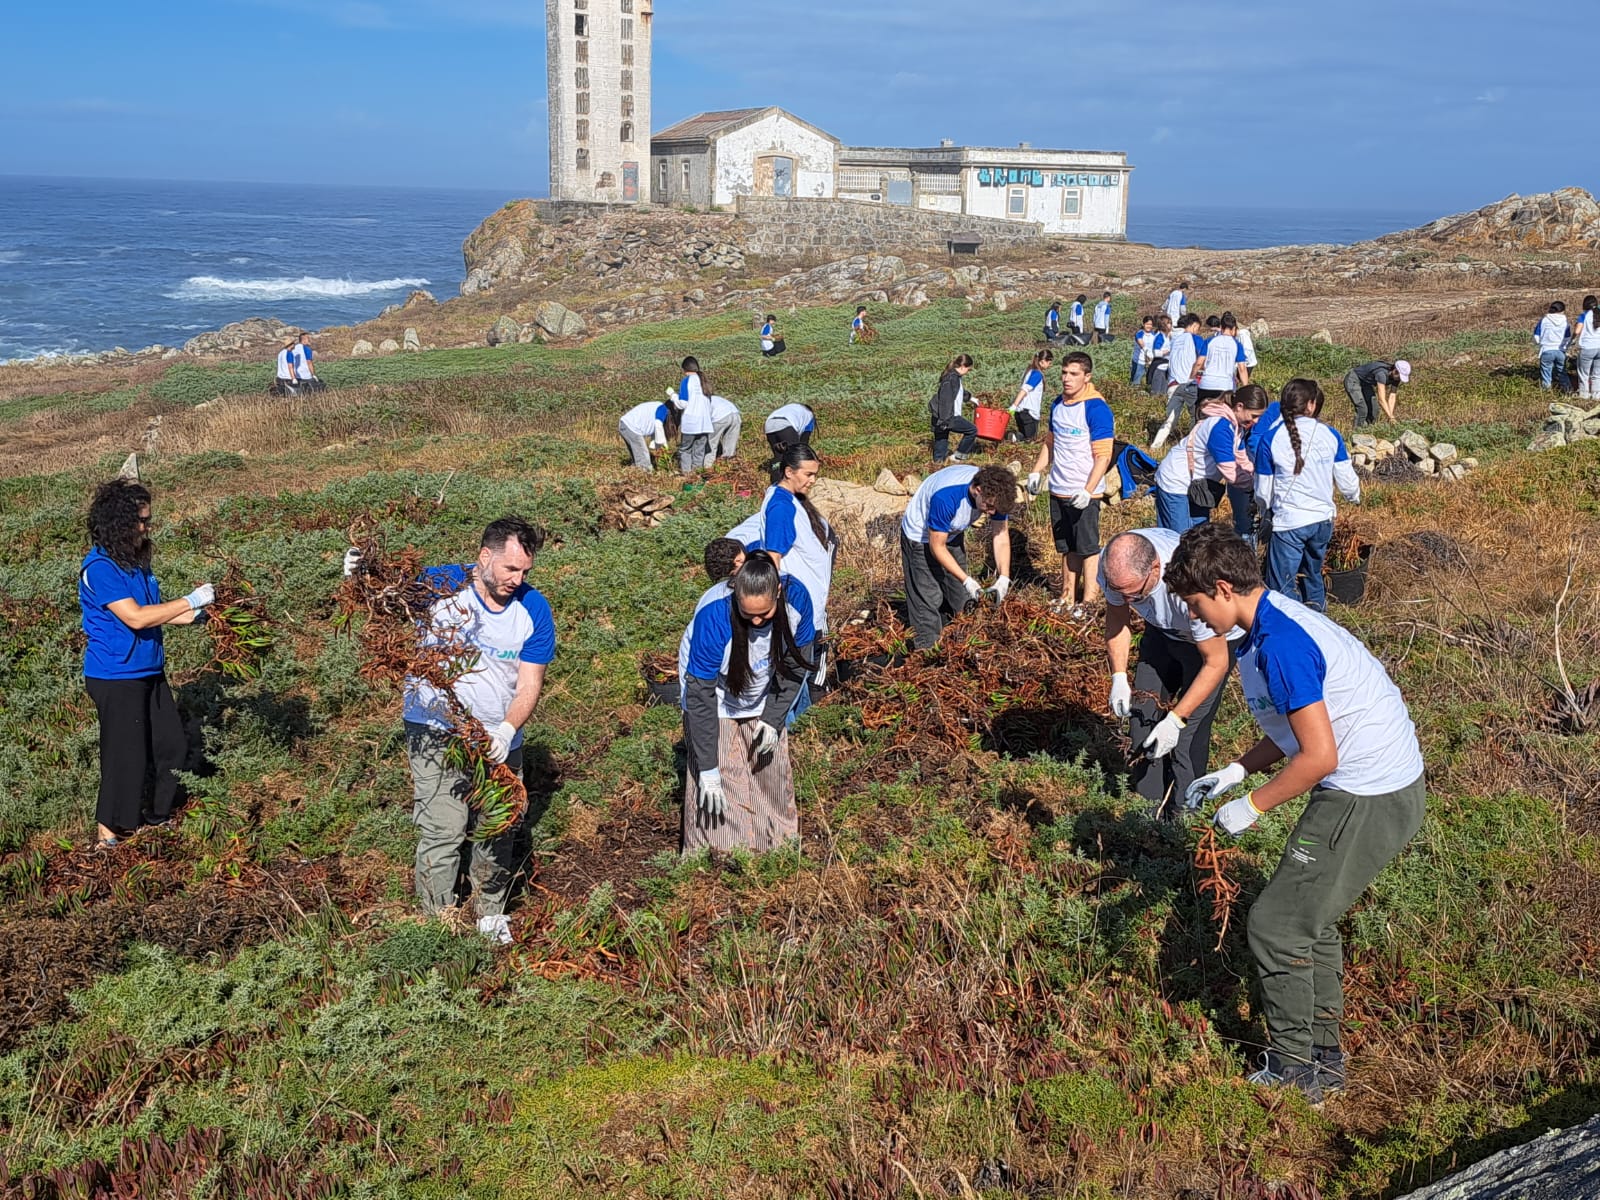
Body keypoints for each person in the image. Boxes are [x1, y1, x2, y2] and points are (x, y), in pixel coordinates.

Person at [1172, 522, 1425, 1103]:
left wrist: (1251, 806)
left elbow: (1319, 756)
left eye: (1195, 603)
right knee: (1310, 922)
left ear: (1223, 588)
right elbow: (1298, 729)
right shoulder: (1266, 627)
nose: (1193, 616)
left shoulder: (1282, 643)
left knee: (1277, 925)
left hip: (1368, 794)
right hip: (1371, 786)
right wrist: (1237, 770)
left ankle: (1293, 1069)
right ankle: (1324, 1060)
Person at [400, 517, 555, 943]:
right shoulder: (441, 585)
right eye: (510, 568)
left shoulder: (533, 610)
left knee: (499, 825)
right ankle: (440, 923)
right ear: (485, 557)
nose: (517, 579)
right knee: (444, 828)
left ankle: (489, 913)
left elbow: (529, 684)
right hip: (435, 728)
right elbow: (385, 595)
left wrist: (506, 730)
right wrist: (360, 572)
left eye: (525, 571)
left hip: (496, 736)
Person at [79, 478, 214, 849]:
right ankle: (108, 832)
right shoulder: (100, 568)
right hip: (115, 676)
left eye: (148, 519)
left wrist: (200, 614)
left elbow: (156, 612)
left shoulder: (136, 563)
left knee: (171, 745)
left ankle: (156, 816)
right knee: (125, 755)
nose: (147, 527)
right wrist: (189, 600)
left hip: (150, 670)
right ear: (120, 522)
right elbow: (136, 618)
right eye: (141, 520)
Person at [679, 551, 814, 852]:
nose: (755, 620)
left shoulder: (797, 602)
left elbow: (796, 666)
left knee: (770, 769)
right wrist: (708, 768)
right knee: (723, 775)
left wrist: (773, 718)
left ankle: (775, 847)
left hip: (762, 686)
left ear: (778, 592)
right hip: (715, 695)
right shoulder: (714, 617)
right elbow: (701, 696)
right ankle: (722, 853)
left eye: (764, 614)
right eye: (747, 613)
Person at [1100, 528, 1239, 813]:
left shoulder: (1192, 582)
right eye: (1120, 593)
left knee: (1187, 736)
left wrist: (1176, 719)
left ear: (1156, 568)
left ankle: (1184, 817)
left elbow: (1216, 662)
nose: (1127, 601)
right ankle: (1148, 810)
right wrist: (1119, 676)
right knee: (1142, 717)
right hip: (1163, 632)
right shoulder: (1113, 567)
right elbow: (1117, 619)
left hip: (1214, 644)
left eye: (1134, 595)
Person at [732, 444, 838, 693]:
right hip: (801, 597)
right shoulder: (781, 507)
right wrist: (774, 594)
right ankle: (806, 700)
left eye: (815, 474)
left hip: (806, 592)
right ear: (789, 472)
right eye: (808, 474)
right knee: (804, 657)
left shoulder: (787, 500)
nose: (813, 480)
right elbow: (774, 555)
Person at [1256, 379, 1360, 612]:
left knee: (1282, 584)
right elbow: (1348, 482)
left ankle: (1290, 623)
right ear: (1311, 405)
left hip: (1289, 522)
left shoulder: (1271, 438)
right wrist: (1355, 497)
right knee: (1312, 574)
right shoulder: (1331, 435)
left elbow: (1263, 490)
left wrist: (1265, 510)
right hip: (1322, 520)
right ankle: (1317, 618)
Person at [1027, 351, 1114, 617]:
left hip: (1084, 491)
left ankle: (1088, 602)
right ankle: (1067, 596)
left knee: (1087, 548)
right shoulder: (1057, 404)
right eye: (1064, 372)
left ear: (1087, 377)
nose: (1067, 378)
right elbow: (1050, 442)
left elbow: (1103, 455)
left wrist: (1088, 490)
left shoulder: (1096, 408)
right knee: (1066, 547)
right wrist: (1036, 471)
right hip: (1059, 488)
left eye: (1074, 374)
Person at [899, 464, 1016, 650]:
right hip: (921, 537)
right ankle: (927, 650)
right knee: (927, 596)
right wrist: (966, 580)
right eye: (990, 507)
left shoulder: (997, 493)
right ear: (978, 490)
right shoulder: (946, 498)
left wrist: (1004, 577)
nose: (992, 513)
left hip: (952, 532)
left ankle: (965, 642)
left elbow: (1000, 537)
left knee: (962, 596)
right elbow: (937, 547)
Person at [1152, 386, 1267, 533]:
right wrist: (1256, 486)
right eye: (1254, 415)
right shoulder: (1220, 427)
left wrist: (1257, 476)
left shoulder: (1237, 428)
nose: (1256, 421)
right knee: (1178, 537)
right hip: (1175, 481)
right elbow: (1230, 472)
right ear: (1239, 406)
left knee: (1199, 536)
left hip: (1198, 485)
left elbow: (1242, 459)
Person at [1152, 314, 1205, 451]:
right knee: (1195, 417)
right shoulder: (1195, 339)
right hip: (1188, 384)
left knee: (1170, 420)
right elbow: (1202, 360)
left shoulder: (1174, 340)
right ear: (1194, 325)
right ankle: (1191, 447)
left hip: (1173, 384)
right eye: (1198, 328)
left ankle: (1155, 446)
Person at [929, 353, 979, 465]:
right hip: (948, 416)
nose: (968, 372)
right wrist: (945, 420)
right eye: (968, 369)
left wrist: (971, 398)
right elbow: (945, 400)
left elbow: (959, 393)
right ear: (963, 366)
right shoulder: (952, 378)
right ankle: (958, 456)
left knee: (941, 440)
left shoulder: (954, 377)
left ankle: (937, 465)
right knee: (972, 430)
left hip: (940, 416)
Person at [1195, 312, 1250, 400]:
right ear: (1234, 328)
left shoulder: (1209, 341)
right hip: (1225, 387)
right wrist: (1246, 388)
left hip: (1206, 384)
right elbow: (1242, 369)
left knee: (1202, 408)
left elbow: (1199, 363)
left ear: (1221, 327)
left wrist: (1191, 377)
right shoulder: (1237, 345)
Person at [675, 356, 715, 474]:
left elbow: (682, 404)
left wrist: (673, 396)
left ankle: (687, 475)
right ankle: (697, 475)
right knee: (699, 451)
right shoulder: (704, 381)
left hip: (691, 423)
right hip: (705, 423)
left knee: (685, 450)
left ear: (684, 369)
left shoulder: (686, 381)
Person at [1342, 359, 1410, 427]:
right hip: (1353, 379)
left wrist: (1390, 415)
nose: (1399, 379)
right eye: (1399, 375)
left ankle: (1368, 428)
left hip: (1365, 383)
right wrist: (1391, 417)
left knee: (1374, 410)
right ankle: (1357, 430)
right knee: (1362, 409)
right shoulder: (1381, 374)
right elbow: (1381, 399)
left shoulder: (1396, 378)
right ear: (1395, 370)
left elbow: (1392, 396)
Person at [618, 400, 677, 471]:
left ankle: (635, 472)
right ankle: (644, 473)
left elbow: (657, 435)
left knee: (637, 456)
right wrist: (665, 446)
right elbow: (658, 424)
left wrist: (660, 448)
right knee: (644, 459)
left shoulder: (659, 407)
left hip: (625, 425)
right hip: (631, 427)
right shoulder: (663, 409)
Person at [1008, 348, 1053, 442]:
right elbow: (1024, 390)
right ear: (1042, 361)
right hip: (1028, 413)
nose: (1050, 365)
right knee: (1031, 440)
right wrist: (1014, 405)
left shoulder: (1029, 371)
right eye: (1049, 363)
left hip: (1021, 412)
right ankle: (1011, 436)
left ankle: (1014, 437)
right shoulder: (1037, 374)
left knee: (1024, 438)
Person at [1534, 301, 1572, 391]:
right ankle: (1567, 390)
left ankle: (1547, 391)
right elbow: (1567, 338)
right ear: (1562, 311)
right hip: (1560, 351)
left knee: (1546, 372)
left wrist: (1540, 343)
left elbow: (1536, 336)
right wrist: (1564, 347)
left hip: (1546, 350)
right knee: (1562, 372)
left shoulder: (1544, 320)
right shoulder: (1565, 322)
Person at [1576, 295, 1600, 401]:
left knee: (1584, 374)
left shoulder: (1583, 315)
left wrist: (1572, 339)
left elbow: (1577, 331)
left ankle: (1584, 396)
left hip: (1587, 347)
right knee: (1597, 374)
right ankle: (1596, 395)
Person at [1146, 315, 1173, 395]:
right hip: (1159, 367)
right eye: (1169, 323)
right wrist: (1168, 351)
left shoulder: (1167, 336)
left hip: (1166, 367)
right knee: (1156, 392)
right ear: (1163, 325)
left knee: (1164, 392)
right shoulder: (1160, 337)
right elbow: (1156, 352)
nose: (1171, 325)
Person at [710, 394, 742, 460]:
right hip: (736, 414)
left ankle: (708, 463)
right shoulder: (717, 398)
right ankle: (728, 461)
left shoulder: (703, 401)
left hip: (720, 416)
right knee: (730, 444)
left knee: (711, 442)